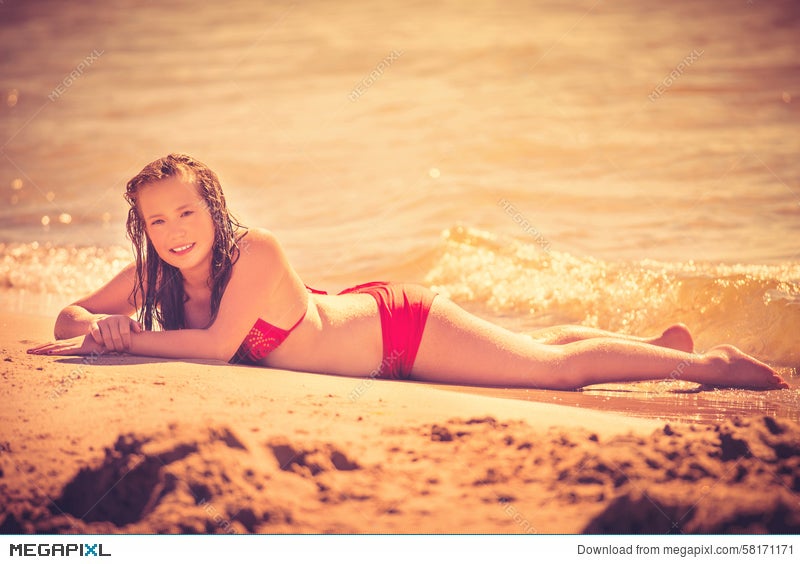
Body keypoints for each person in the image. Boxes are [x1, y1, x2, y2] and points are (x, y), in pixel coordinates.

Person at [28, 154, 789, 391]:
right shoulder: (155, 275)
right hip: (356, 330)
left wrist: (124, 342)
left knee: (554, 372)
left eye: (185, 214)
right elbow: (69, 316)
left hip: (399, 331)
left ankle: (707, 364)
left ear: (212, 209)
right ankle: (652, 341)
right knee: (527, 352)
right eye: (156, 222)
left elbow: (225, 347)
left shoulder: (255, 251)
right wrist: (102, 325)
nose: (174, 233)